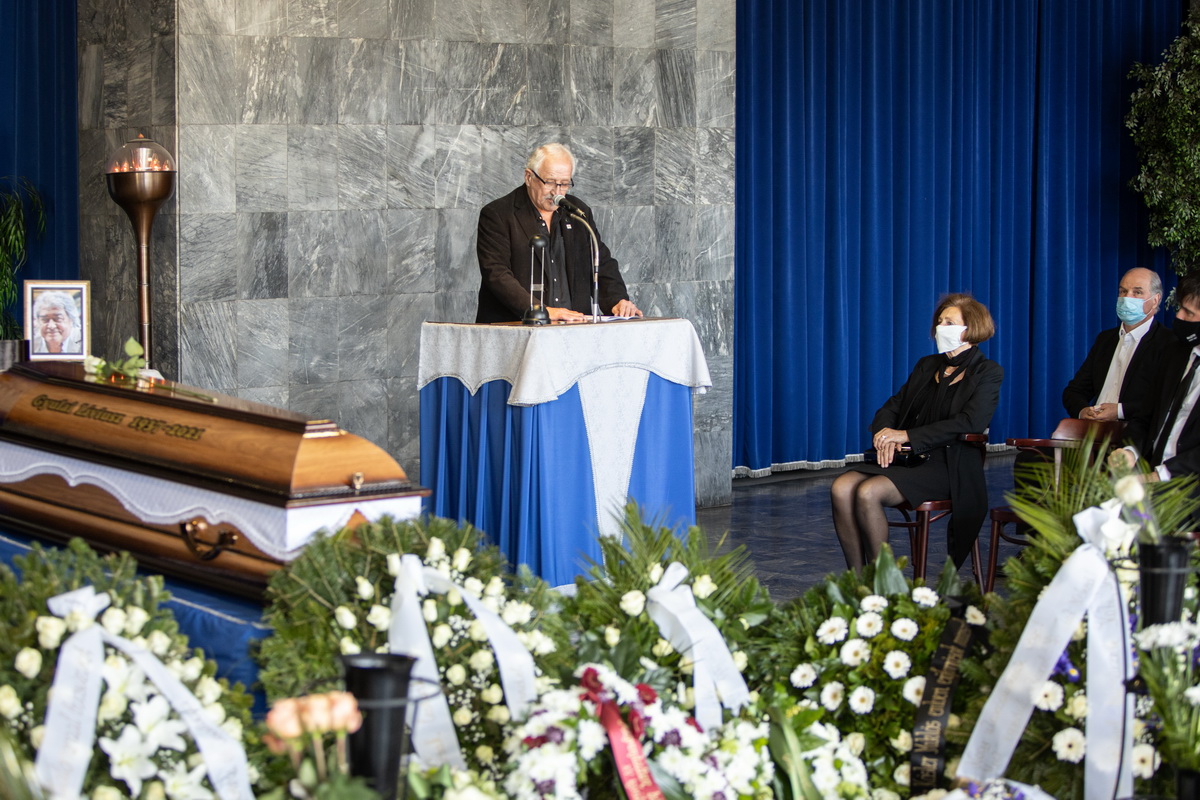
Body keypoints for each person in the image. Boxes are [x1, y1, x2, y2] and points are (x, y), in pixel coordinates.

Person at [831, 293, 1004, 570]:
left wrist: (906, 435)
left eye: (949, 322)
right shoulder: (927, 365)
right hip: (909, 458)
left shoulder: (988, 371)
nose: (940, 327)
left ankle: (883, 582)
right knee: (841, 487)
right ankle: (857, 579)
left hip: (950, 465)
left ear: (971, 329)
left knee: (868, 492)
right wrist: (885, 434)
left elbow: (970, 422)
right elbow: (894, 405)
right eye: (940, 321)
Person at [475, 143, 642, 323]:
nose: (557, 192)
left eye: (564, 184)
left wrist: (617, 300)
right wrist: (542, 311)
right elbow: (497, 274)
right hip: (516, 327)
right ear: (529, 177)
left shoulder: (578, 212)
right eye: (550, 182)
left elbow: (600, 262)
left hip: (572, 328)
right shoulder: (498, 214)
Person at [1110, 273, 1200, 483]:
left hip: (1187, 487)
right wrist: (1129, 450)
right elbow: (1146, 415)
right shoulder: (1175, 353)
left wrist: (1159, 476)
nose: (1179, 317)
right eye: (1180, 308)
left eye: (1189, 313)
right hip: (1148, 475)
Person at [1062, 267, 1173, 423]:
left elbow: (1166, 401)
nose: (1127, 298)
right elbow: (1074, 391)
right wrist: (1083, 411)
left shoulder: (1168, 343)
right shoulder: (1105, 339)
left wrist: (1120, 411)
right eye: (1123, 291)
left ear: (1155, 300)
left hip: (1134, 433)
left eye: (1137, 292)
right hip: (1094, 431)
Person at [31, 290, 83, 355]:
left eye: (58, 319)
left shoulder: (83, 342)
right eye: (44, 319)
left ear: (71, 320)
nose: (51, 326)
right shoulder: (31, 345)